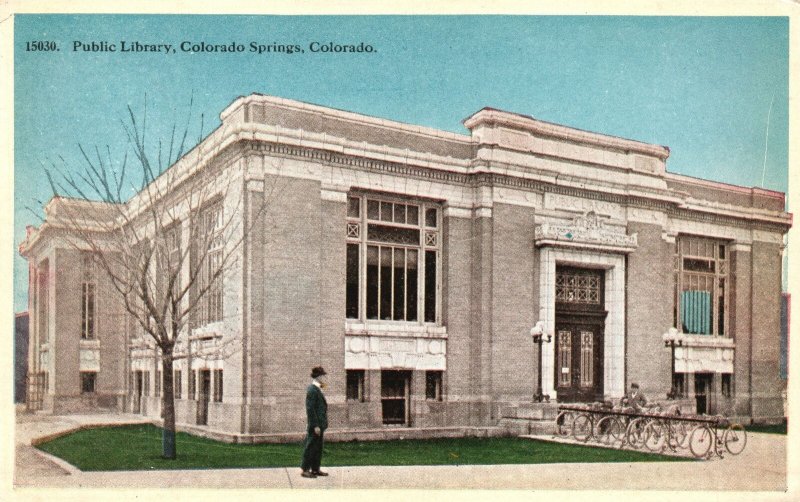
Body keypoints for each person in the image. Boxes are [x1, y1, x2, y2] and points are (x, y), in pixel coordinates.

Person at [301, 366, 329, 478]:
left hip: (320, 424)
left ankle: (315, 469)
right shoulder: (312, 389)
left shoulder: (318, 388)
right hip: (315, 425)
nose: (324, 377)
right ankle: (305, 469)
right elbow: (310, 409)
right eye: (322, 375)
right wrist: (316, 425)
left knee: (318, 447)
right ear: (317, 377)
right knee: (311, 446)